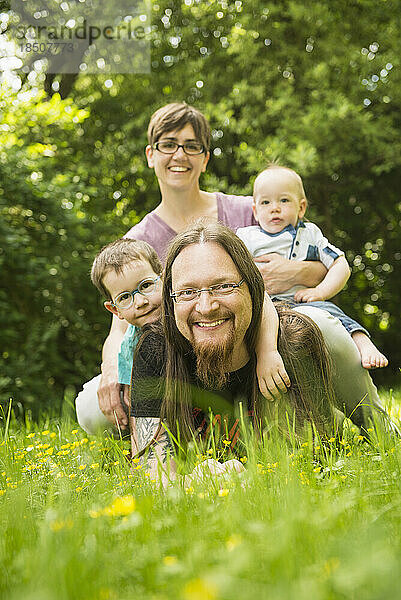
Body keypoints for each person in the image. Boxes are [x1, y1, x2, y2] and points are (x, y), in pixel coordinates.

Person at [93, 103, 327, 430]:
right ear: (151, 155)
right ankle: (150, 438)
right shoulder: (139, 241)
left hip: (267, 331)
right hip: (186, 356)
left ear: (204, 158)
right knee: (90, 407)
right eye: (168, 145)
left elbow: (321, 267)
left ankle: (355, 416)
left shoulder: (250, 210)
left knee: (328, 331)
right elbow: (120, 324)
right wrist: (111, 370)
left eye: (192, 146)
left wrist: (293, 273)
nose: (179, 155)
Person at [130, 222, 395, 485]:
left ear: (253, 289)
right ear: (171, 301)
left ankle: (382, 431)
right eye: (187, 292)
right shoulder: (156, 349)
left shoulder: (293, 343)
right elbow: (152, 470)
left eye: (224, 286)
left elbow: (308, 465)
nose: (206, 306)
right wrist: (193, 485)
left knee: (325, 327)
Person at [236, 165, 388, 370]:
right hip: (265, 307)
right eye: (266, 202)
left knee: (332, 313)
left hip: (303, 303)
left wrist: (320, 292)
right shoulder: (246, 237)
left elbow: (340, 263)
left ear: (301, 208)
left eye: (284, 200)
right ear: (255, 210)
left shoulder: (309, 233)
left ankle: (361, 342)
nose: (274, 207)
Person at [75, 238, 163, 434]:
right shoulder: (130, 342)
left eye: (146, 285)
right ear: (115, 310)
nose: (140, 302)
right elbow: (134, 397)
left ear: (164, 279)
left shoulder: (181, 315)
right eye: (125, 297)